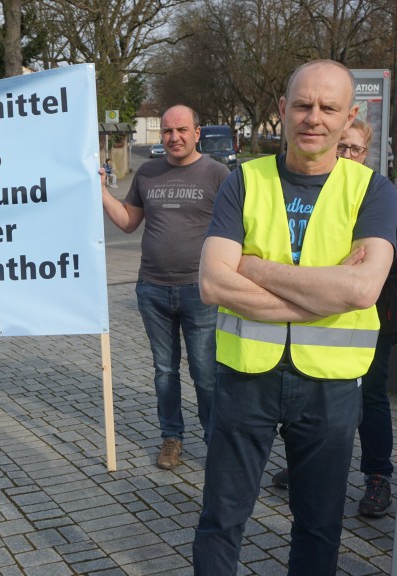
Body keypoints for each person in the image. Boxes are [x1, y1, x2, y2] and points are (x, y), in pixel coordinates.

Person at [193, 60, 397, 575]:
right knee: (221, 519)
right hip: (245, 378)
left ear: (349, 117)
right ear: (282, 110)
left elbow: (363, 287)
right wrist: (326, 294)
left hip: (329, 386)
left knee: (320, 524)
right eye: (303, 105)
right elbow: (214, 283)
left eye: (329, 108)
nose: (314, 118)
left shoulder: (373, 191)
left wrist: (256, 267)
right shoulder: (243, 181)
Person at [271, 119, 396, 518]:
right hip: (316, 323)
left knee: (370, 396)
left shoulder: (373, 193)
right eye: (340, 147)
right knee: (310, 395)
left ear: (367, 154)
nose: (344, 155)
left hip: (371, 317)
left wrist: (335, 280)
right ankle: (307, 463)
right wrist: (332, 276)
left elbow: (363, 278)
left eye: (354, 149)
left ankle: (377, 476)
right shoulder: (312, 193)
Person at [101, 104, 230, 470]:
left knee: (205, 373)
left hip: (200, 290)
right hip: (152, 290)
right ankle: (171, 438)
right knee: (164, 371)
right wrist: (100, 192)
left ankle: (215, 440)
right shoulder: (147, 173)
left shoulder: (218, 174)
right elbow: (127, 222)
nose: (175, 137)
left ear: (197, 132)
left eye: (182, 130)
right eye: (168, 131)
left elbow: (238, 231)